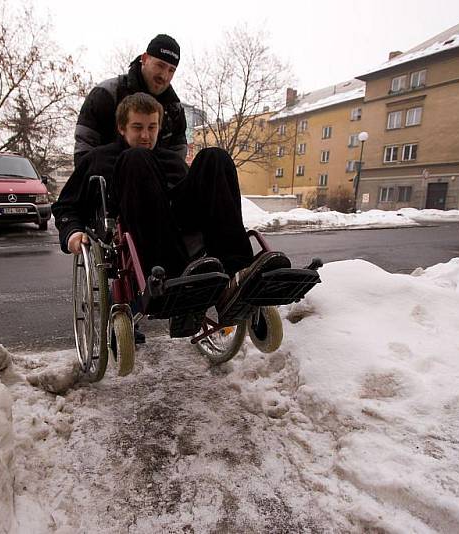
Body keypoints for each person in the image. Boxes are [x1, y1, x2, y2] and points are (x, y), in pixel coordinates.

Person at [53, 93, 293, 337]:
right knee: (136, 157)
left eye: (152, 127)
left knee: (215, 157)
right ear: (121, 128)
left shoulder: (171, 160)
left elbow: (194, 196)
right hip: (137, 228)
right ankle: (173, 280)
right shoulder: (98, 159)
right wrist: (72, 232)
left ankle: (236, 275)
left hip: (177, 220)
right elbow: (66, 206)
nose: (146, 136)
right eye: (138, 127)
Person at [73, 34, 188, 167]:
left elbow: (177, 158)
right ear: (144, 59)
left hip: (157, 183)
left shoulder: (174, 110)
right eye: (160, 65)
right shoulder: (106, 95)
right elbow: (85, 150)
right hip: (109, 179)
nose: (164, 75)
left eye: (171, 70)